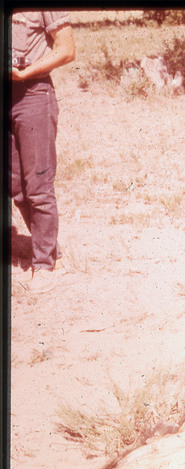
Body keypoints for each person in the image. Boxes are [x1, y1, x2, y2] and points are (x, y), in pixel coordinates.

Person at [10, 11, 75, 293]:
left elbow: (67, 50)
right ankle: (53, 253)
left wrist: (25, 72)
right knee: (15, 186)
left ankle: (45, 267)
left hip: (33, 94)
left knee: (38, 186)